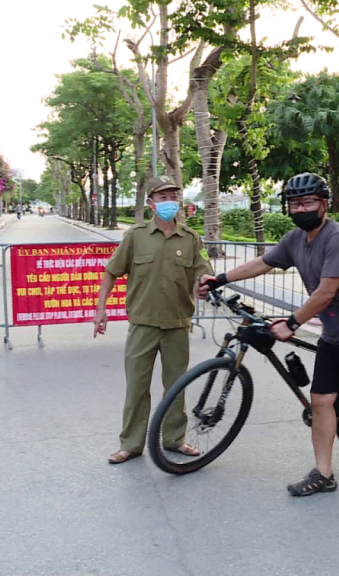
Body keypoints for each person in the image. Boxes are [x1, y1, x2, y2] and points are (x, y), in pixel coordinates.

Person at [198, 172, 339, 496]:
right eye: (295, 204)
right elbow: (262, 264)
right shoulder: (295, 239)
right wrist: (220, 278)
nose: (301, 209)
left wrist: (292, 323)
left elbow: (326, 292)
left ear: (324, 204)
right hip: (334, 334)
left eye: (307, 202)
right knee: (320, 402)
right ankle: (324, 473)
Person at [95, 175, 212, 465]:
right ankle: (131, 444)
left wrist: (204, 284)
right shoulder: (135, 236)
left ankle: (174, 439)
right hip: (143, 323)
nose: (169, 202)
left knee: (176, 386)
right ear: (151, 204)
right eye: (163, 197)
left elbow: (203, 272)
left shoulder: (190, 238)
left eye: (173, 196)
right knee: (137, 386)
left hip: (177, 323)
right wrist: (101, 308)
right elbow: (112, 271)